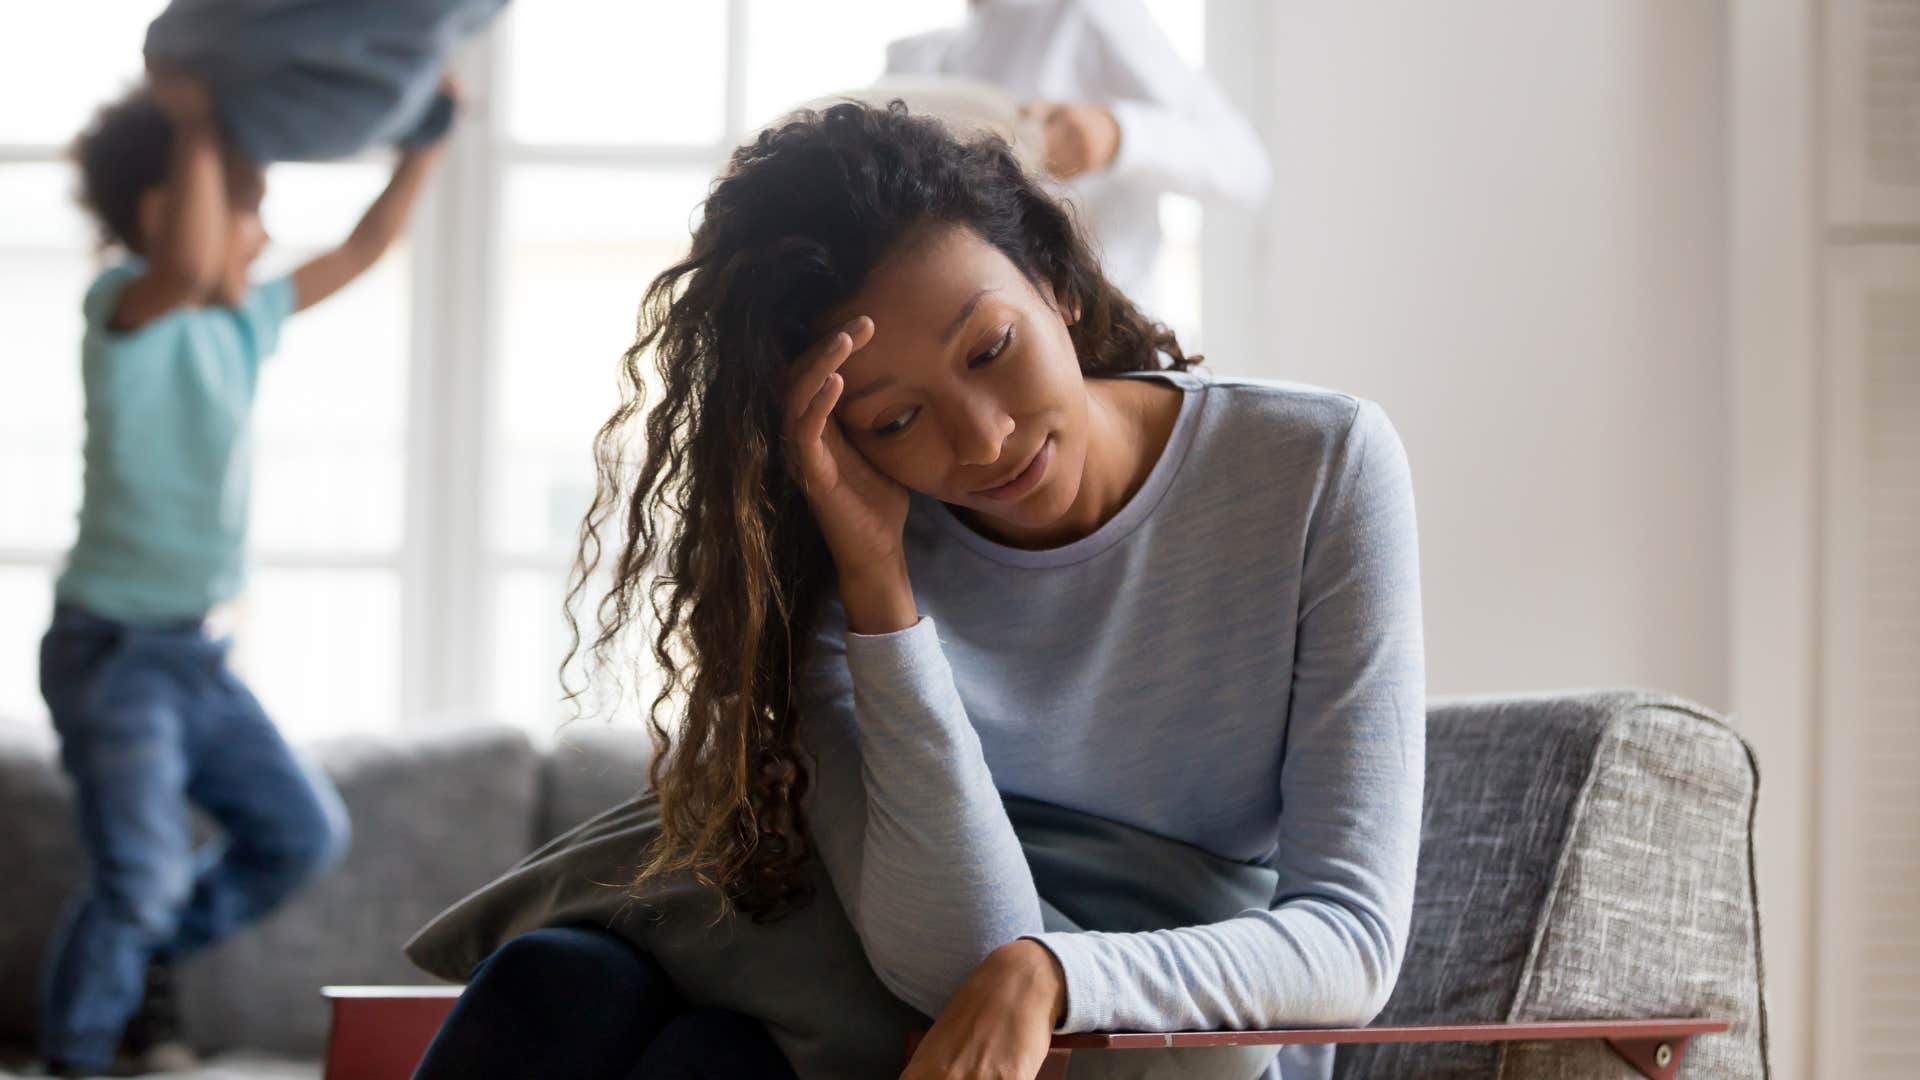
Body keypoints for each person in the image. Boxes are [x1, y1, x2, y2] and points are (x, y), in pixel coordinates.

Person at [411, 100, 1422, 1080]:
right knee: (568, 993)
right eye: (896, 420)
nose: (983, 441)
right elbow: (946, 946)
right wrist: (877, 585)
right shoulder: (834, 543)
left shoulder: (1318, 466)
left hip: (1152, 989)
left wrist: (1050, 975)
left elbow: (1352, 938)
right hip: (880, 922)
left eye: (992, 350)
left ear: (1057, 280)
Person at [39, 68, 451, 1078]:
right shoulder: (128, 312)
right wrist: (192, 126)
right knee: (135, 880)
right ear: (164, 211)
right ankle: (78, 1056)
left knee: (302, 833)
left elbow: (362, 249)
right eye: (245, 212)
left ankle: (145, 962)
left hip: (193, 654)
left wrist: (424, 147)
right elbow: (180, 260)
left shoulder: (242, 320)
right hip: (112, 655)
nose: (261, 237)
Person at [885, 0, 1272, 311]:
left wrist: (1116, 134)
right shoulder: (917, 60)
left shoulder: (1085, 16)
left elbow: (1243, 164)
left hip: (1109, 334)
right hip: (978, 344)